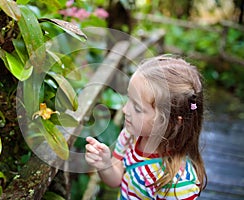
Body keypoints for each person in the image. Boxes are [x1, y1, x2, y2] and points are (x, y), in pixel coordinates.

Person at [85, 55, 207, 199]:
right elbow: (117, 179)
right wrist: (104, 165)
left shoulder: (178, 184)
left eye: (137, 108)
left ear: (171, 122)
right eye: (129, 99)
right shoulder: (129, 136)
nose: (125, 110)